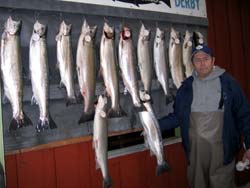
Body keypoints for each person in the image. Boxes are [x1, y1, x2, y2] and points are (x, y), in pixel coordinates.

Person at [158, 44, 250, 188]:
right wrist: (155, 126)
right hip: (195, 154)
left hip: (223, 151)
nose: (202, 63)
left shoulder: (229, 83)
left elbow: (244, 114)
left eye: (205, 58)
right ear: (192, 64)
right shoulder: (186, 88)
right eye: (197, 59)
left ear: (213, 60)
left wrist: (249, 145)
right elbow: (177, 116)